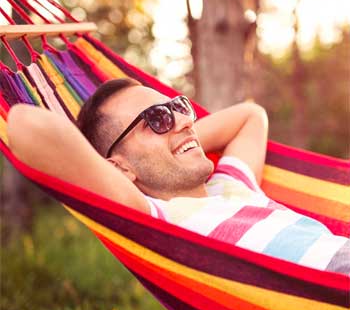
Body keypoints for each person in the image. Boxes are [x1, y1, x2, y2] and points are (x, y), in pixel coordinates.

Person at [7, 78, 349, 275]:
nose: (185, 120)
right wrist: (169, 147)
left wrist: (178, 138)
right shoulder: (159, 220)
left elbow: (250, 116)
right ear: (120, 168)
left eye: (178, 106)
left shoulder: (232, 183)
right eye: (155, 118)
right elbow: (27, 124)